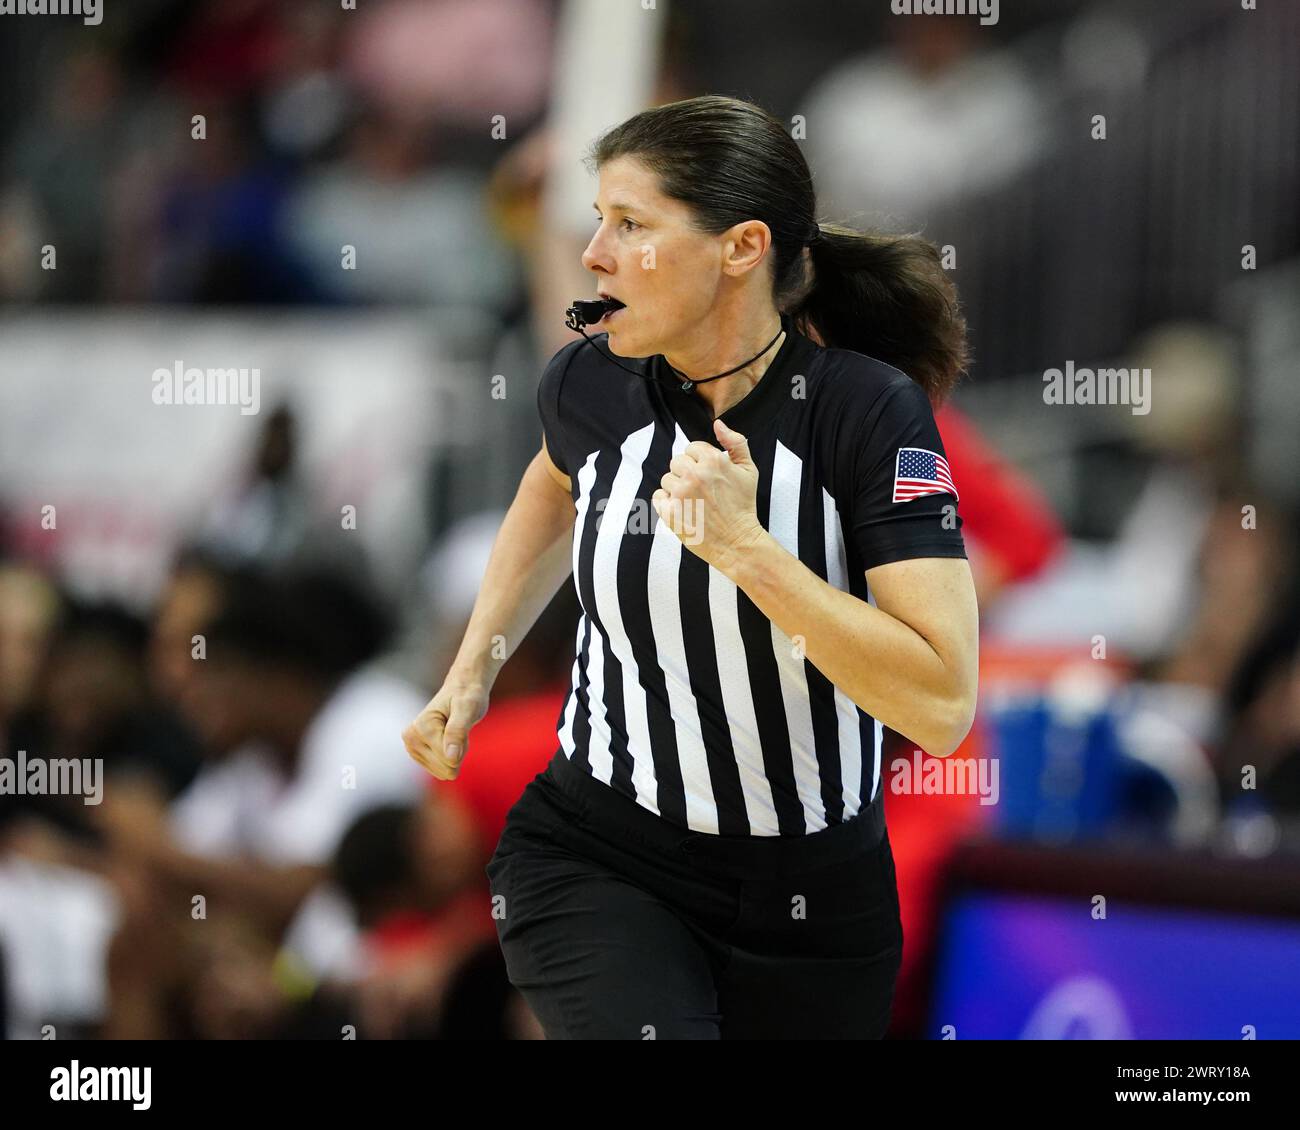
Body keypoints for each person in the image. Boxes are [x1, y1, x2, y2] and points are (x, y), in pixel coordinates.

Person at [403, 95, 979, 1040]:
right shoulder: (589, 384)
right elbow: (550, 489)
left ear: (741, 247)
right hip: (601, 854)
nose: (594, 253)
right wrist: (474, 668)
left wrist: (749, 553)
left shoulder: (868, 416)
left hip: (819, 902)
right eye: (598, 220)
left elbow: (942, 704)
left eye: (631, 225)